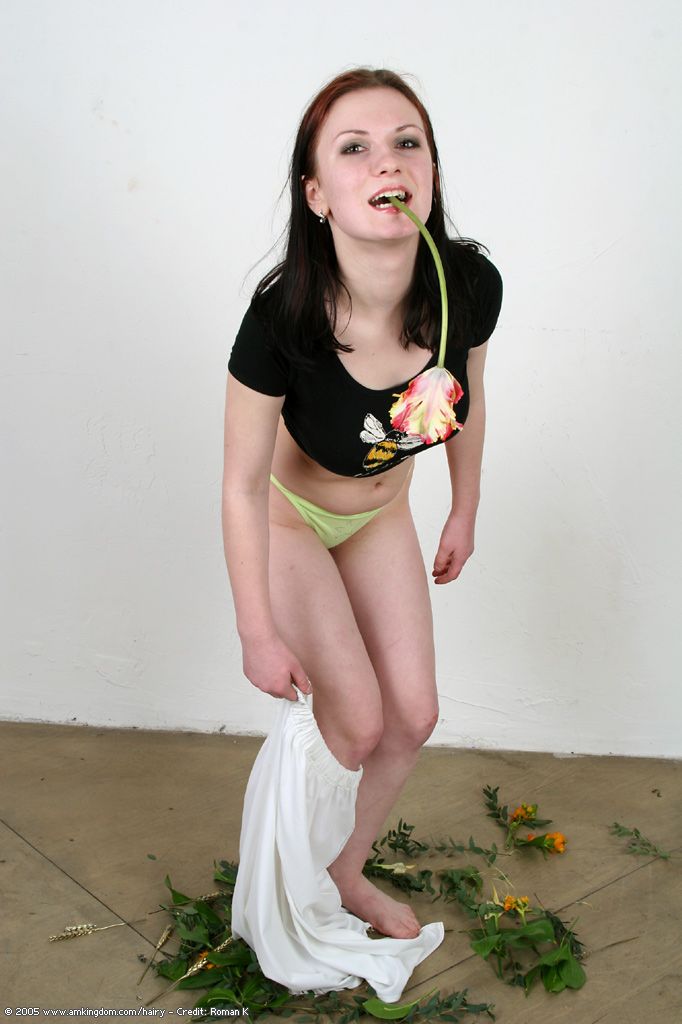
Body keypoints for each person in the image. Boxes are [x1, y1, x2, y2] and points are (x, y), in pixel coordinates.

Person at [222, 68, 503, 944]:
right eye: (355, 148)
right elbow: (239, 484)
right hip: (289, 516)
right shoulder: (283, 318)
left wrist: (463, 508)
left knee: (413, 716)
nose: (387, 161)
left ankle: (344, 870)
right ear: (317, 194)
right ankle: (290, 881)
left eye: (406, 142)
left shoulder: (467, 285)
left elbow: (469, 399)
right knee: (356, 720)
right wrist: (256, 631)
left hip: (381, 515)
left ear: (430, 173)